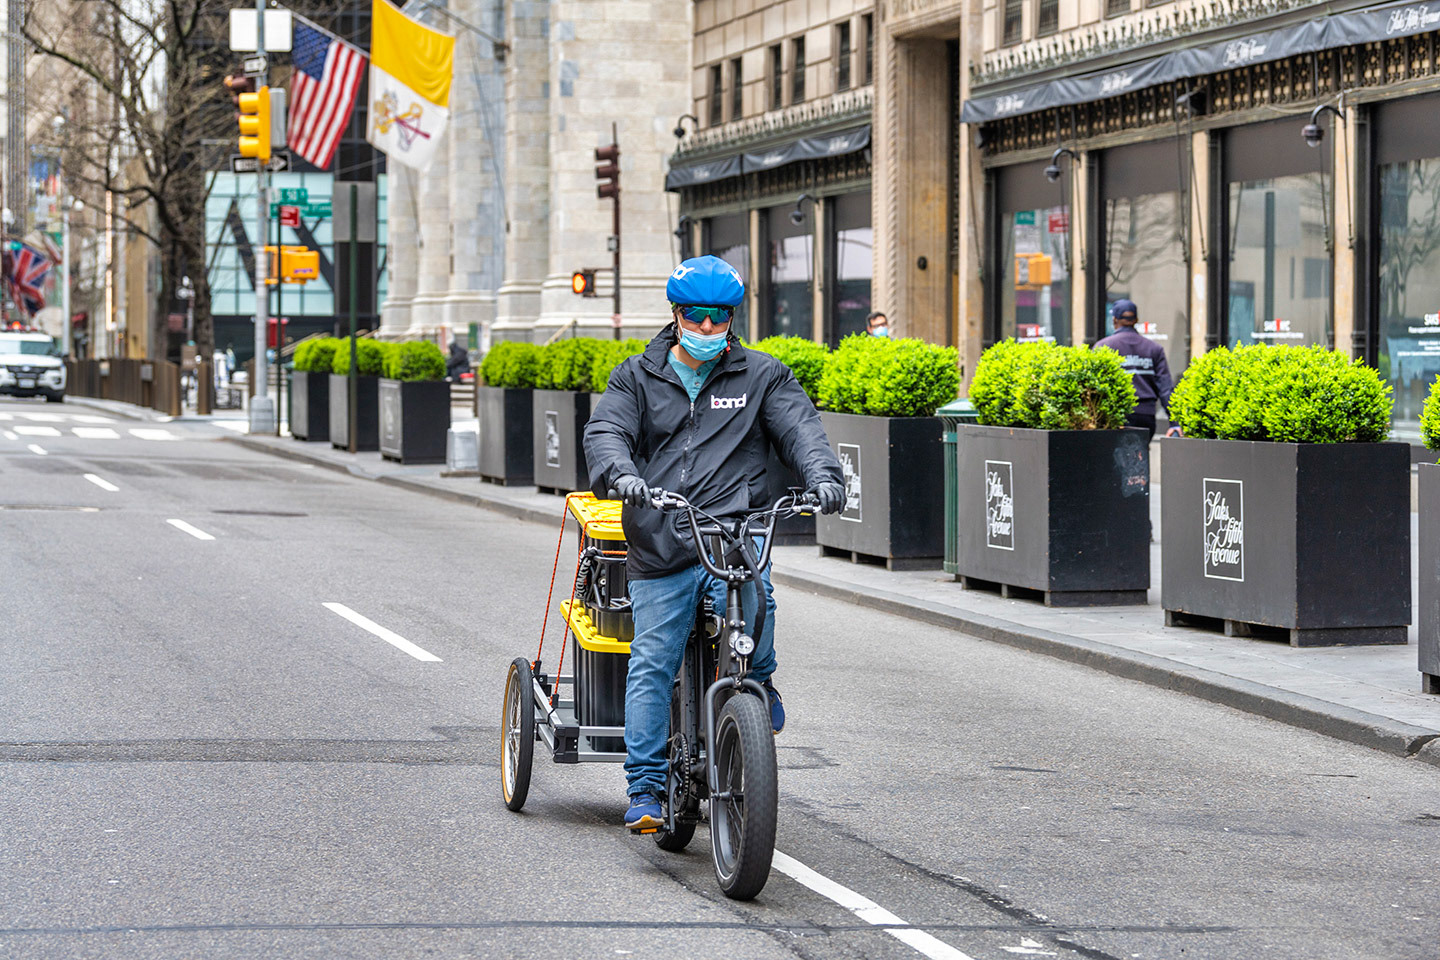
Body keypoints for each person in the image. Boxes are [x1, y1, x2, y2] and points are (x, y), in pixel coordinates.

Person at [584, 255, 846, 832]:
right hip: (662, 538)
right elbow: (606, 431)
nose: (708, 330)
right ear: (677, 315)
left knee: (761, 603)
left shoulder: (762, 375)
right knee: (652, 660)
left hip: (734, 533)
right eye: (698, 317)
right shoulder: (636, 375)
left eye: (720, 318)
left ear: (732, 318)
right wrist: (621, 474)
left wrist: (824, 477)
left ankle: (762, 678)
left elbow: (801, 429)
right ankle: (646, 789)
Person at [1094, 299, 1174, 443]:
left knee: (1118, 459)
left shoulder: (1103, 347)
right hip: (1146, 416)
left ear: (1114, 320)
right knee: (1140, 457)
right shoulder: (1154, 348)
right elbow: (1165, 388)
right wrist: (1175, 423)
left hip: (1117, 416)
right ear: (1136, 320)